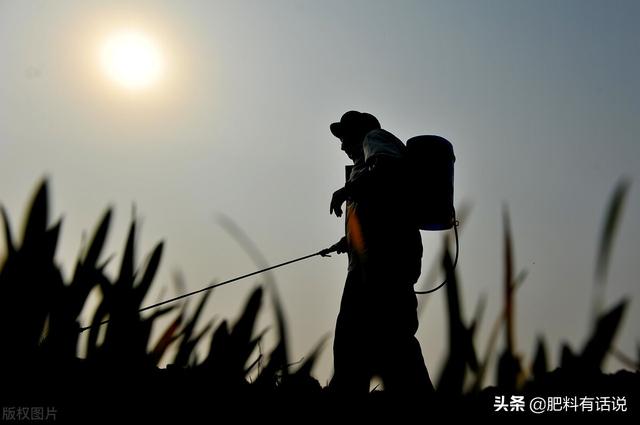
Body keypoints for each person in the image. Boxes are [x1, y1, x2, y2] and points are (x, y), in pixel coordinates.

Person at [321, 110, 435, 396]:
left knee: (388, 338)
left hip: (384, 265)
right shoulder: (363, 167)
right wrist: (345, 241)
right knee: (365, 338)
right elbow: (378, 214)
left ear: (360, 131)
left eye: (345, 136)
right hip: (368, 266)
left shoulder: (375, 140)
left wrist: (347, 189)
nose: (342, 144)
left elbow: (388, 167)